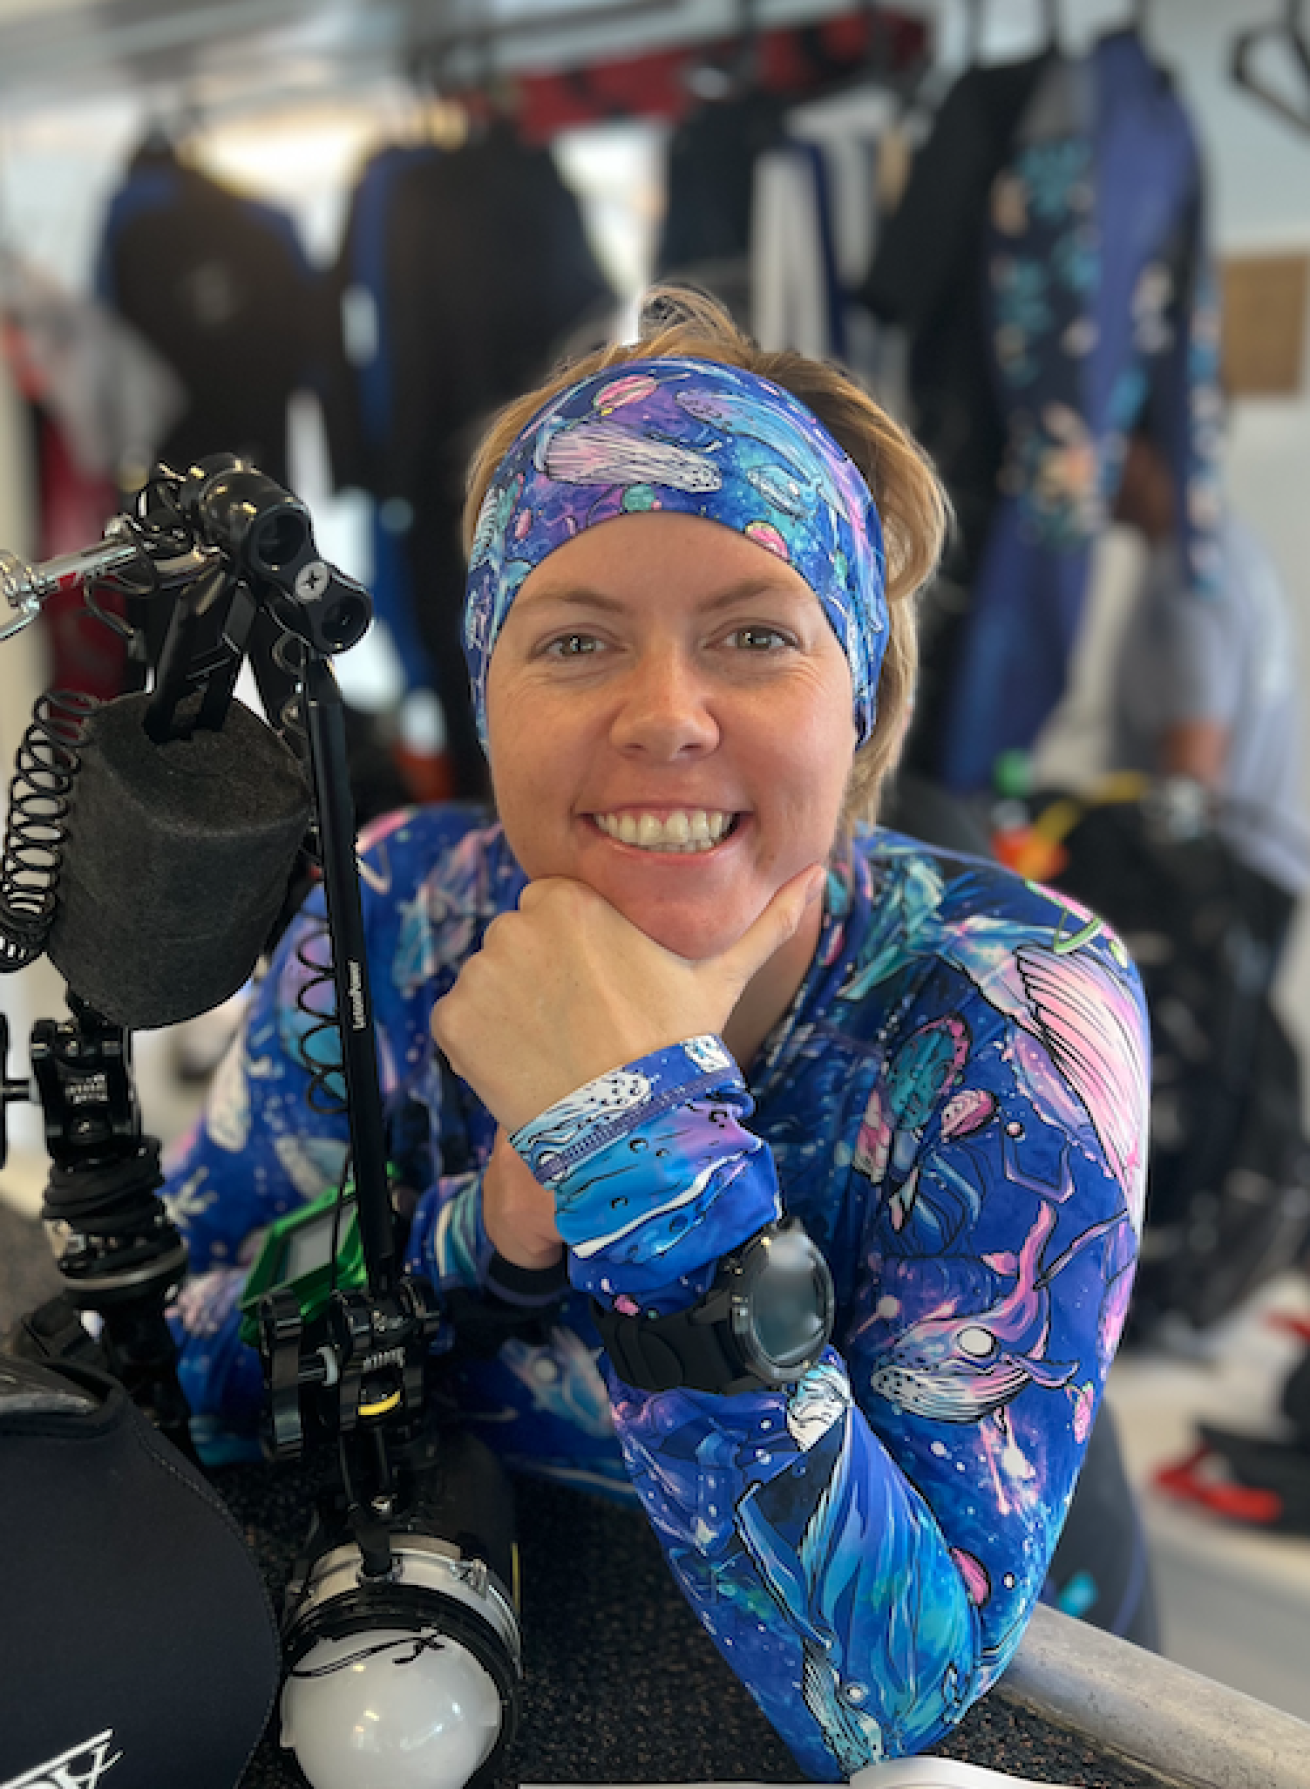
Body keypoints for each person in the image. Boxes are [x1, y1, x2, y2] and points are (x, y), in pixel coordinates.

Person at [163, 288, 1149, 1776]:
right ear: (485, 687)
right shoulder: (393, 912)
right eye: (574, 642)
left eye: (754, 635)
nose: (666, 714)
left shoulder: (1010, 1008)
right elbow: (179, 1349)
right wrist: (489, 1226)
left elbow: (885, 1696)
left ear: (857, 695)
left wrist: (641, 1147)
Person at [1110, 427, 1310, 952]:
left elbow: (1191, 783)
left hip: (1216, 895)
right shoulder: (1230, 550)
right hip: (1264, 875)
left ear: (1145, 451)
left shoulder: (1189, 582)